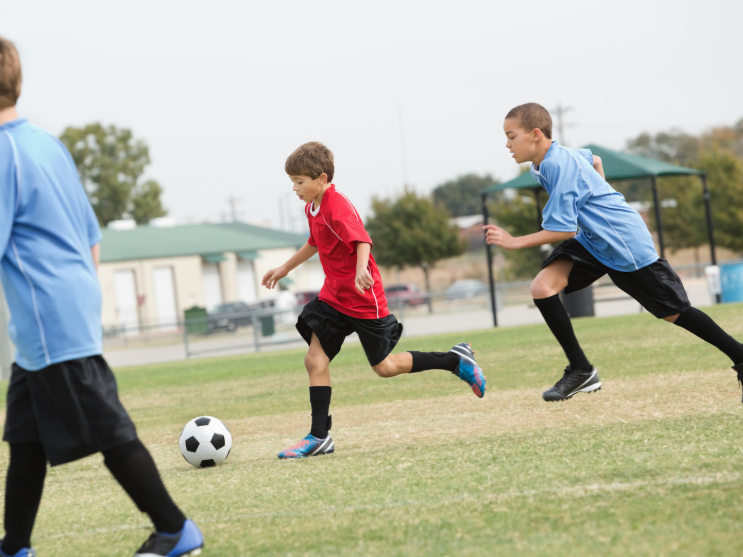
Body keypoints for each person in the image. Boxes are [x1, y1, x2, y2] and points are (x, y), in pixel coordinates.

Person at [0, 35, 204, 557]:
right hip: (53, 318)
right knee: (25, 440)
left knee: (110, 431)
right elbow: (91, 234)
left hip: (48, 320)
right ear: (17, 83)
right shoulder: (47, 144)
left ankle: (175, 530)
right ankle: (14, 547)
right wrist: (78, 292)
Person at [485, 102, 743, 402]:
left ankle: (740, 356)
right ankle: (581, 370)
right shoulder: (543, 164)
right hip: (594, 240)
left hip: (624, 242)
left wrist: (514, 241)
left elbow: (564, 230)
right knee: (542, 288)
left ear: (535, 134)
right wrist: (600, 195)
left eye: (511, 136)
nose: (507, 144)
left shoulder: (557, 164)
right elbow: (593, 160)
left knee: (675, 313)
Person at [262, 142, 486, 459]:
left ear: (321, 179)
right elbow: (315, 242)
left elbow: (362, 240)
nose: (294, 189)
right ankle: (318, 436)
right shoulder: (312, 207)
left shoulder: (337, 204)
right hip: (334, 297)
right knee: (314, 360)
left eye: (299, 182)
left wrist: (359, 270)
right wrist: (285, 268)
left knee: (385, 367)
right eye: (292, 182)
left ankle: (454, 360)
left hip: (363, 298)